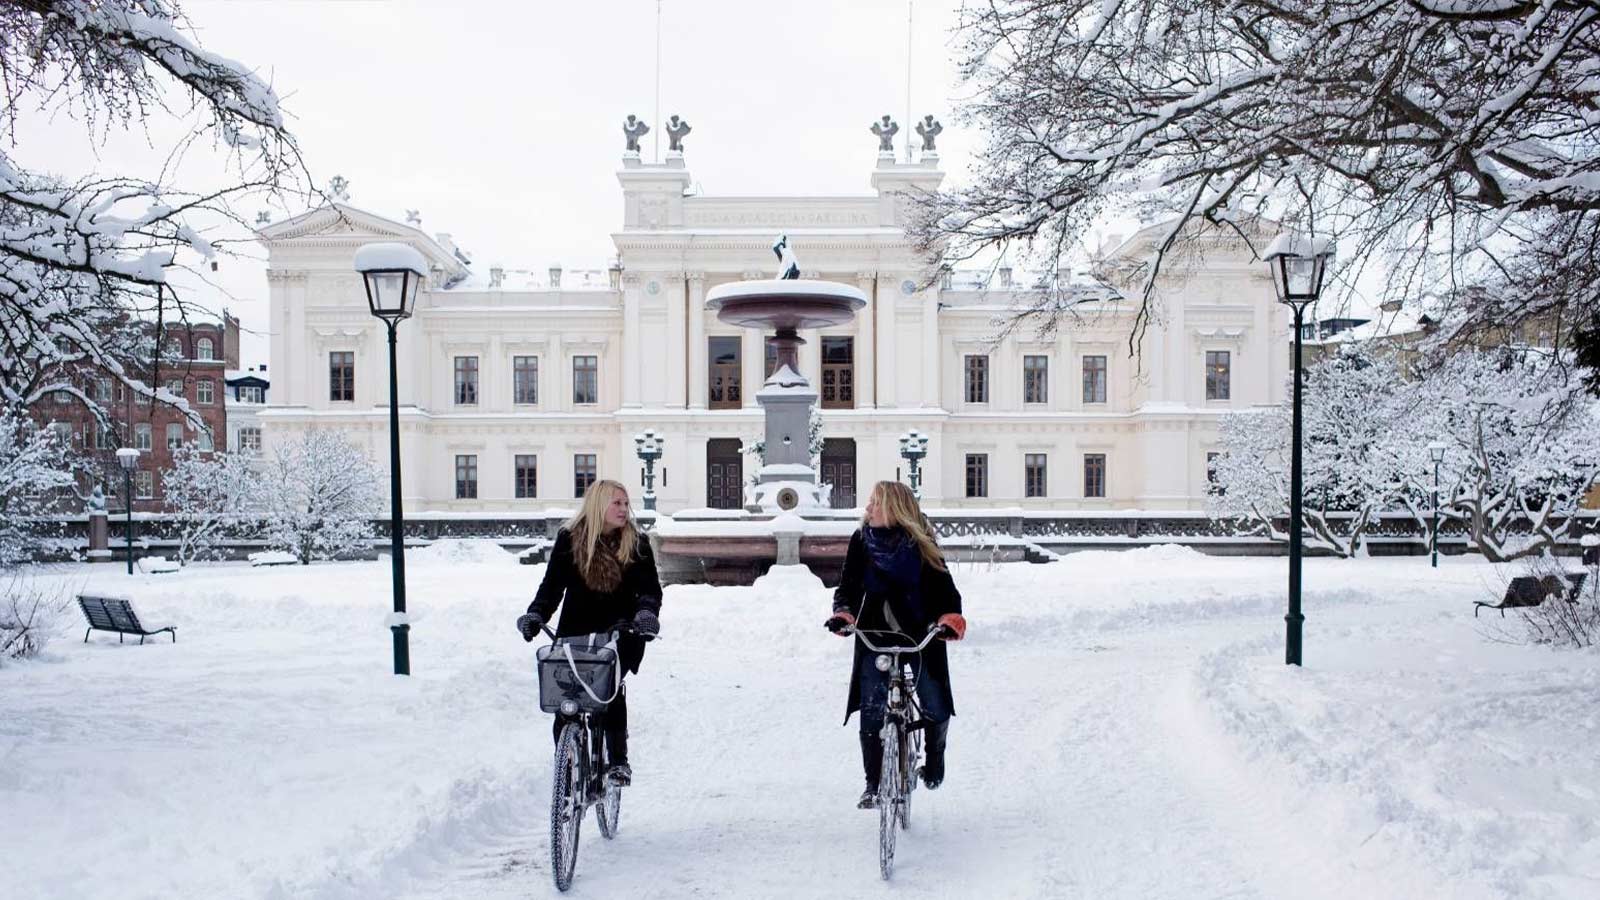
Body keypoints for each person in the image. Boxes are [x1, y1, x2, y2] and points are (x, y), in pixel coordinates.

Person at [825, 480, 966, 809]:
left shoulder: (921, 542)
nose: (868, 509)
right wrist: (844, 615)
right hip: (875, 632)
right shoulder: (862, 540)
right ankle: (873, 783)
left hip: (920, 631)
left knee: (932, 697)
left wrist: (949, 620)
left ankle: (934, 759)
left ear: (893, 509)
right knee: (873, 707)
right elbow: (848, 586)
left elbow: (946, 590)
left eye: (875, 503)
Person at [518, 479, 662, 786]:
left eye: (626, 504)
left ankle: (618, 761)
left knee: (609, 691)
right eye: (617, 503)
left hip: (621, 630)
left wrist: (646, 614)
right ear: (599, 505)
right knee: (566, 704)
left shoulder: (636, 542)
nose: (624, 509)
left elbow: (649, 590)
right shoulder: (570, 539)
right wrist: (535, 614)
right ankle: (566, 769)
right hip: (576, 631)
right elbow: (551, 587)